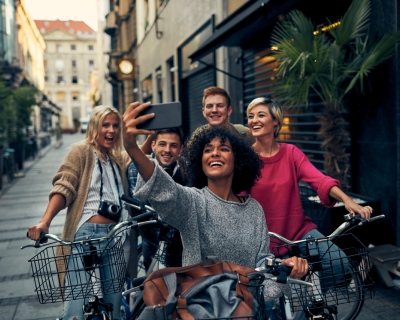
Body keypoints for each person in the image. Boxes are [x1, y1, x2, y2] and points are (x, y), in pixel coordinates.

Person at [122, 101, 308, 301]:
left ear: (238, 160)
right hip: (205, 309)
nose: (215, 153)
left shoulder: (253, 209)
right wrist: (132, 148)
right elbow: (164, 188)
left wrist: (286, 267)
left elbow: (262, 262)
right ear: (200, 162)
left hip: (246, 310)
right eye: (208, 150)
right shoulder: (193, 202)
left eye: (224, 149)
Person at [246, 97, 374, 283]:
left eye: (261, 115)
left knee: (338, 262)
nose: (254, 120)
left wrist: (348, 201)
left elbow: (319, 180)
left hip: (298, 231)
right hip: (264, 238)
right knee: (271, 293)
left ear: (275, 121)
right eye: (250, 116)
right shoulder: (247, 158)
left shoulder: (291, 153)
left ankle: (309, 305)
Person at [27, 105, 132, 320]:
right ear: (95, 126)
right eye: (105, 125)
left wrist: (149, 135)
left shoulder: (115, 159)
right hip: (86, 236)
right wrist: (44, 222)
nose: (111, 131)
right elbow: (64, 186)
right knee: (75, 308)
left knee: (114, 306)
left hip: (114, 236)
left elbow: (136, 156)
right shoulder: (81, 151)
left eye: (115, 126)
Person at [128, 127, 185, 269]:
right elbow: (140, 201)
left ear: (181, 149)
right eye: (162, 144)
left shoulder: (188, 170)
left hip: (181, 247)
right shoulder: (135, 170)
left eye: (173, 145)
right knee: (154, 286)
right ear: (153, 146)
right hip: (152, 243)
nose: (167, 150)